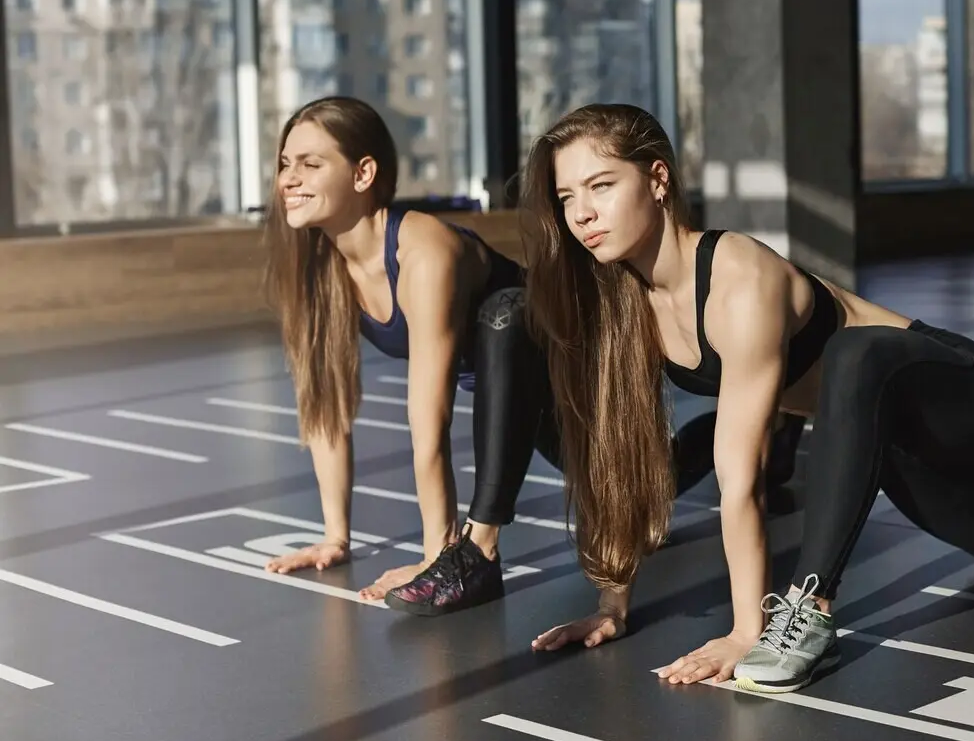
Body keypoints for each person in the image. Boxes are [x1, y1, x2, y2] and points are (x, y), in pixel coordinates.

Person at [519, 103, 974, 692]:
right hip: (875, 432)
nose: (582, 214)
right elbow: (626, 460)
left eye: (600, 185)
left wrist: (744, 632)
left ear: (657, 179)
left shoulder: (739, 280)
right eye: (568, 197)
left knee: (852, 350)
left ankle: (809, 609)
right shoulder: (627, 309)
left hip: (955, 392)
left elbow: (742, 479)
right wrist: (612, 604)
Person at [261, 96, 804, 616]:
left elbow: (430, 418)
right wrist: (336, 535)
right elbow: (325, 406)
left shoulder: (421, 250)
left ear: (363, 174)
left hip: (568, 361)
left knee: (507, 314)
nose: (288, 179)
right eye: (286, 164)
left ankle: (480, 550)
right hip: (514, 402)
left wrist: (437, 556)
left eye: (309, 164)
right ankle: (772, 429)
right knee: (657, 478)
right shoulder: (318, 270)